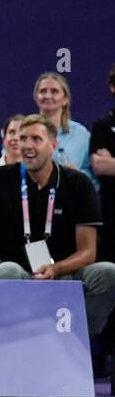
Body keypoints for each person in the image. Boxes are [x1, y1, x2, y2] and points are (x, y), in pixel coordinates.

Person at [0, 114, 114, 352]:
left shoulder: (78, 184)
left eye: (36, 139)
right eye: (22, 138)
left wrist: (55, 269)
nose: (27, 145)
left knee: (109, 273)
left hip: (63, 273)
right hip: (13, 270)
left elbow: (88, 252)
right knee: (7, 271)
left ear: (53, 145)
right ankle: (17, 347)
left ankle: (78, 341)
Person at [34, 71, 96, 188]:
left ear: (65, 99)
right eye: (43, 91)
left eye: (54, 91)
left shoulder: (80, 134)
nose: (48, 96)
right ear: (36, 98)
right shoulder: (25, 131)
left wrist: (76, 175)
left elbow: (94, 177)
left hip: (70, 199)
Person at [91, 64, 115, 263]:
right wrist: (107, 163)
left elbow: (108, 165)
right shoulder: (102, 126)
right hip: (111, 213)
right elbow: (99, 166)